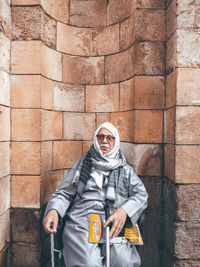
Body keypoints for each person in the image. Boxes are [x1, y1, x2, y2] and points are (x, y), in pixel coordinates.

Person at [43, 122, 148, 267]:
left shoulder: (125, 170)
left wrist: (124, 211)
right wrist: (53, 210)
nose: (104, 141)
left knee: (123, 261)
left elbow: (141, 196)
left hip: (113, 222)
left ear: (115, 142)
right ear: (95, 139)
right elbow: (64, 193)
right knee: (88, 263)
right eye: (101, 137)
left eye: (109, 138)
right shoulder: (82, 165)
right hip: (82, 221)